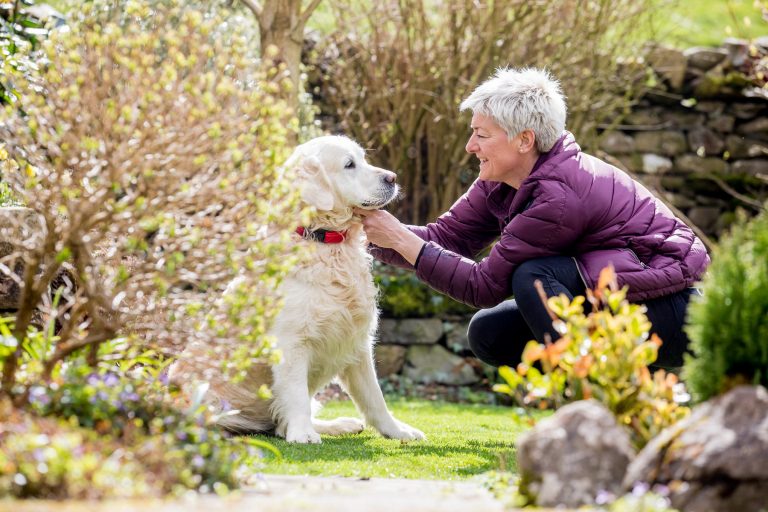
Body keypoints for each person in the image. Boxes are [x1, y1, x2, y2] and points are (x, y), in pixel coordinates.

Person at [353, 67, 710, 370]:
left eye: (481, 134)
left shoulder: (558, 196)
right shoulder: (502, 179)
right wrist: (354, 230)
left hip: (671, 313)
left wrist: (398, 237)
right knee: (490, 333)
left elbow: (483, 286)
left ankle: (590, 405)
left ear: (524, 140)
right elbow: (445, 238)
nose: (470, 146)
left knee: (534, 275)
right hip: (608, 296)